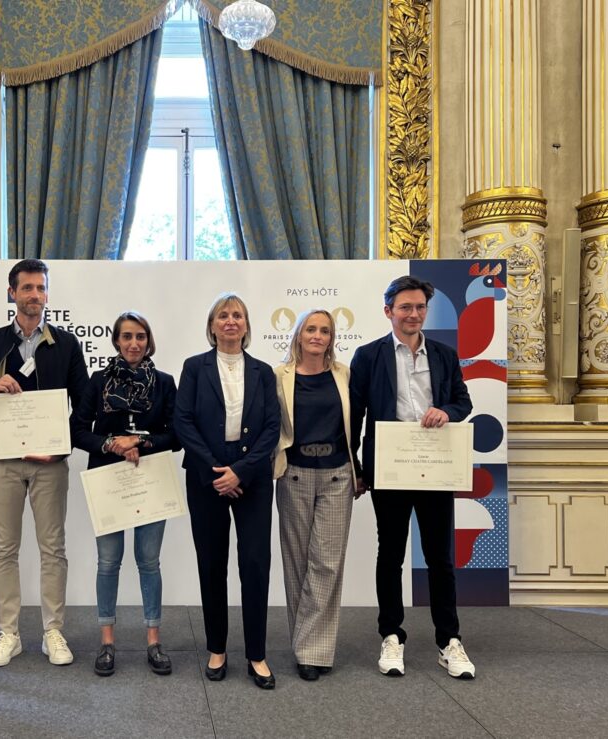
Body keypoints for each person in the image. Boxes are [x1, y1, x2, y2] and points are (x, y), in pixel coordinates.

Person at [349, 275, 476, 680]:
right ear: (389, 311)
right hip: (389, 466)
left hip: (436, 466)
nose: (413, 314)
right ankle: (391, 635)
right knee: (391, 555)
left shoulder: (444, 354)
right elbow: (354, 417)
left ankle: (449, 641)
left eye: (420, 307)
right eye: (405, 307)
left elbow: (463, 401)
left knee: (440, 558)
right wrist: (355, 467)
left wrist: (448, 413)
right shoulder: (368, 357)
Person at [0, 259, 89, 668]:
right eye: (27, 288)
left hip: (49, 463)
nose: (35, 295)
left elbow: (84, 405)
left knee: (53, 548)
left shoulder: (67, 345)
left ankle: (53, 631)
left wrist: (60, 447)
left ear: (47, 294)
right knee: (5, 549)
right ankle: (9, 634)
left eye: (41, 288)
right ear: (12, 293)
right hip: (3, 460)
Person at [173, 293, 280, 689]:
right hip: (206, 476)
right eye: (223, 315)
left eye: (238, 315)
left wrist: (241, 471)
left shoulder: (264, 371)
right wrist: (217, 470)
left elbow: (272, 427)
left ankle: (257, 654)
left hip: (250, 477)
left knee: (254, 565)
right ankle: (217, 648)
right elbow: (183, 421)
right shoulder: (194, 368)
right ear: (213, 325)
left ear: (247, 325)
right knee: (212, 564)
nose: (231, 321)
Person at [71, 311, 180, 678]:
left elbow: (176, 436)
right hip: (107, 481)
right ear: (116, 341)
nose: (134, 343)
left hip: (150, 480)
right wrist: (112, 444)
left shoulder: (164, 382)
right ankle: (107, 641)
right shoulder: (98, 380)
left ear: (149, 342)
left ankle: (153, 640)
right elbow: (76, 431)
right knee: (108, 562)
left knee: (149, 562)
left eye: (140, 337)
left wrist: (141, 441)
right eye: (127, 336)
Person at [273, 309, 358, 682]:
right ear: (299, 333)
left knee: (326, 563)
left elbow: (358, 423)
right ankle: (305, 643)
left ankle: (312, 651)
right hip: (293, 474)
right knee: (297, 563)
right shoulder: (279, 376)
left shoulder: (344, 374)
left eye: (325, 330)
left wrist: (363, 470)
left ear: (332, 337)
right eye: (311, 328)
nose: (318, 335)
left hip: (338, 475)